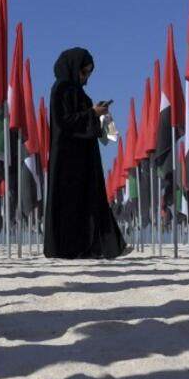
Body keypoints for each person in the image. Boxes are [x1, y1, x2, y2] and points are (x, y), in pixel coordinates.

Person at [43, 48, 129, 259]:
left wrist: (96, 114)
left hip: (83, 157)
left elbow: (80, 118)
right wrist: (92, 113)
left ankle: (98, 246)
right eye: (84, 73)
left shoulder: (76, 91)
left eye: (89, 74)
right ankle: (69, 248)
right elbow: (64, 122)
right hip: (67, 158)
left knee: (90, 199)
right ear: (73, 68)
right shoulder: (61, 90)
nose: (86, 78)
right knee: (70, 202)